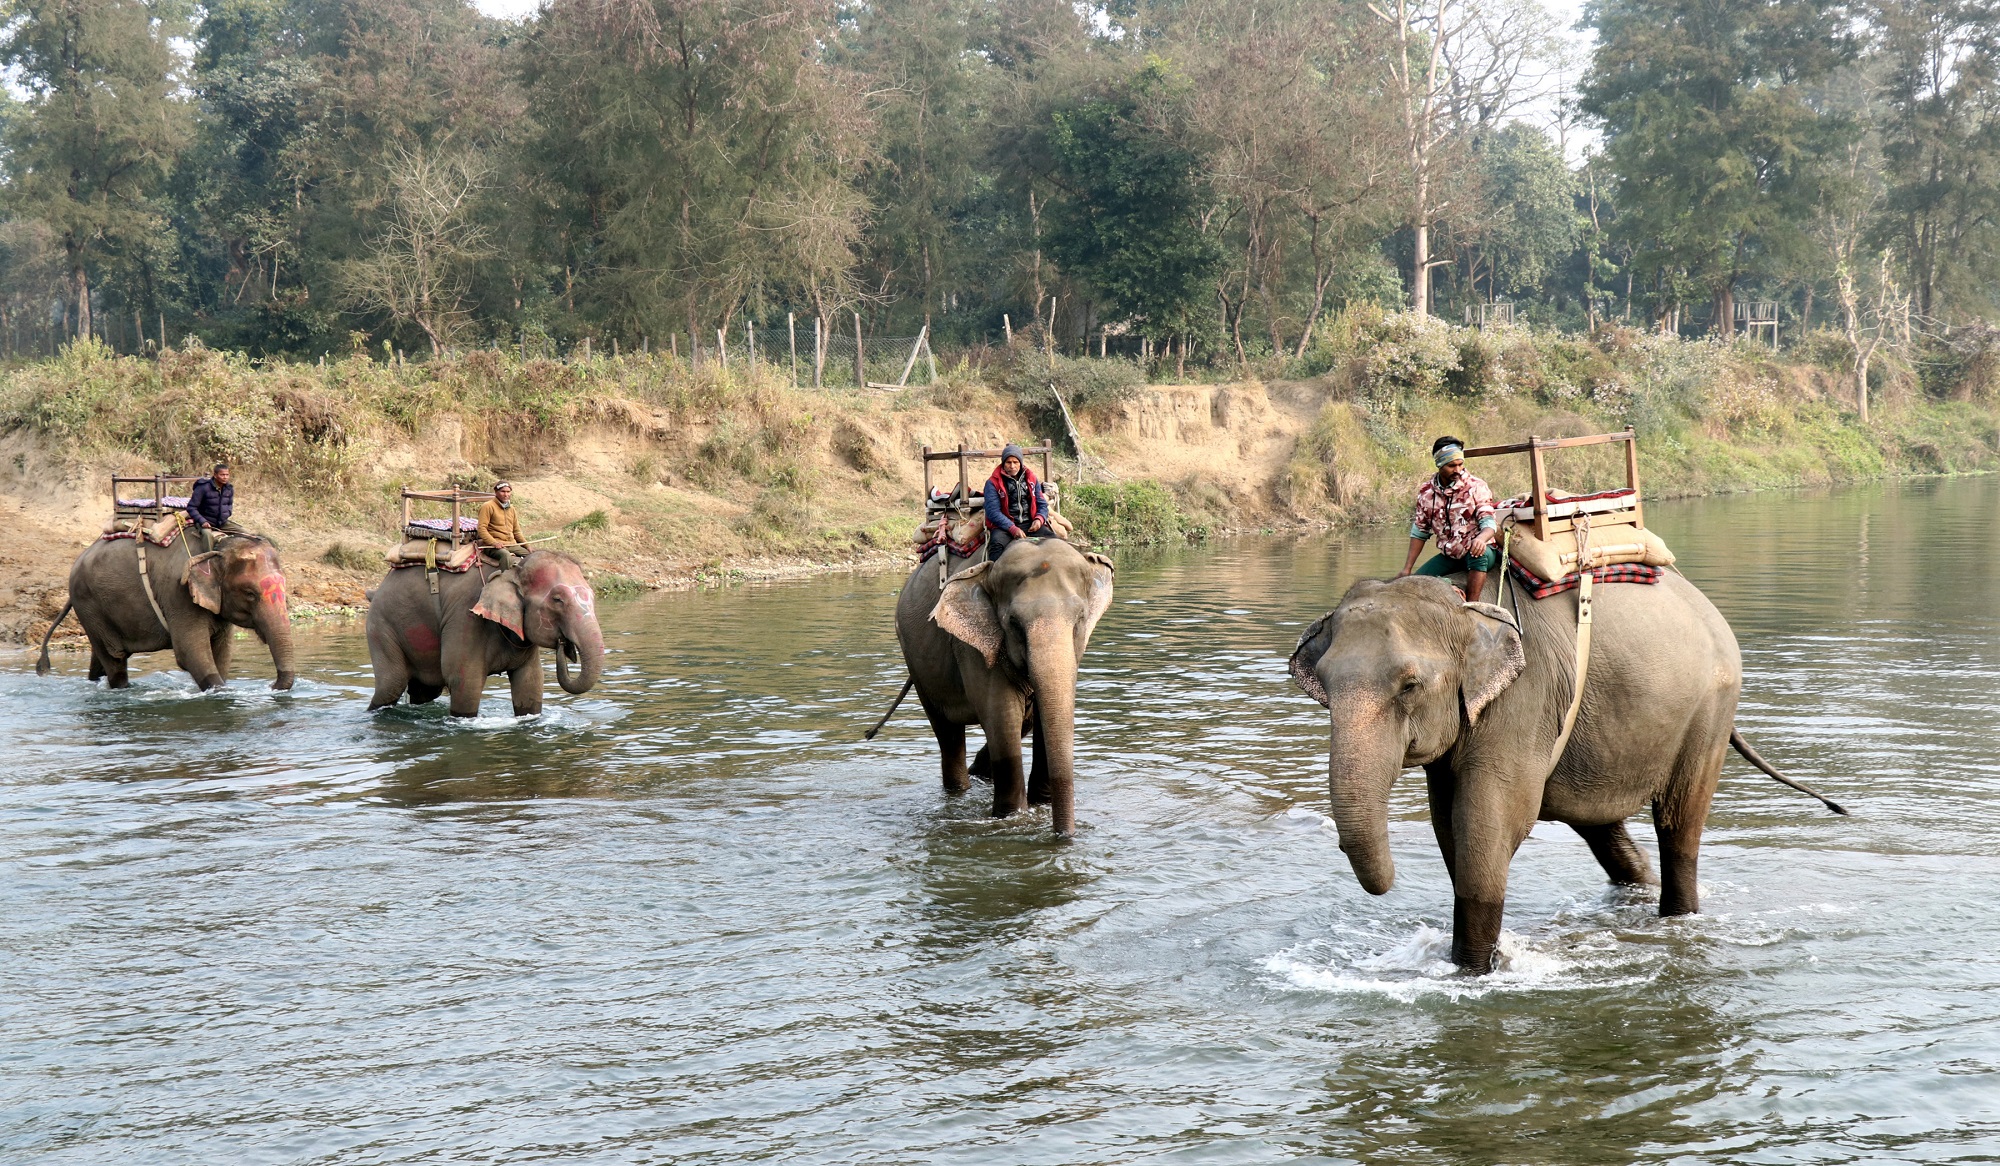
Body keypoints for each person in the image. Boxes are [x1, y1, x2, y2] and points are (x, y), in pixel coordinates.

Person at [1399, 435, 1500, 601]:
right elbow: (1420, 531)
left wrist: (1481, 539)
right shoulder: (1427, 493)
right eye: (1452, 466)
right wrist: (1407, 568)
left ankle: (1472, 604)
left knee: (1479, 556)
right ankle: (1444, 584)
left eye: (1461, 464)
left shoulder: (1476, 487)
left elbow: (1489, 521)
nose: (1458, 470)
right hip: (1450, 556)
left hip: (1476, 552)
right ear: (1439, 465)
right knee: (1414, 584)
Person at [983, 444, 1057, 560]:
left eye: (1015, 462)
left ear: (1020, 463)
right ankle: (992, 575)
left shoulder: (1031, 479)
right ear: (1003, 463)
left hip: (1029, 524)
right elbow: (993, 512)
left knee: (1055, 542)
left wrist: (1039, 519)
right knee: (996, 546)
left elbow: (1041, 504)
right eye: (1008, 462)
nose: (1012, 466)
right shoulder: (992, 483)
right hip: (1004, 527)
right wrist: (1012, 528)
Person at [185, 463, 246, 550]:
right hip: (206, 521)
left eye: (227, 475)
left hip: (222, 522)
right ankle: (208, 557)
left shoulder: (229, 488)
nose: (225, 477)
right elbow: (191, 507)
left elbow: (229, 505)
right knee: (207, 535)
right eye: (222, 475)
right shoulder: (203, 488)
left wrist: (227, 514)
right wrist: (203, 521)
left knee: (244, 533)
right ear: (215, 475)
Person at [478, 481, 531, 568]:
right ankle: (503, 578)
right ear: (496, 492)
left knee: (531, 555)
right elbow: (481, 529)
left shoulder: (512, 508)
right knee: (506, 555)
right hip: (492, 546)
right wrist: (494, 543)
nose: (506, 494)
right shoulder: (487, 506)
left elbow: (516, 531)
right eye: (503, 491)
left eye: (508, 492)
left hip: (511, 544)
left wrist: (527, 545)